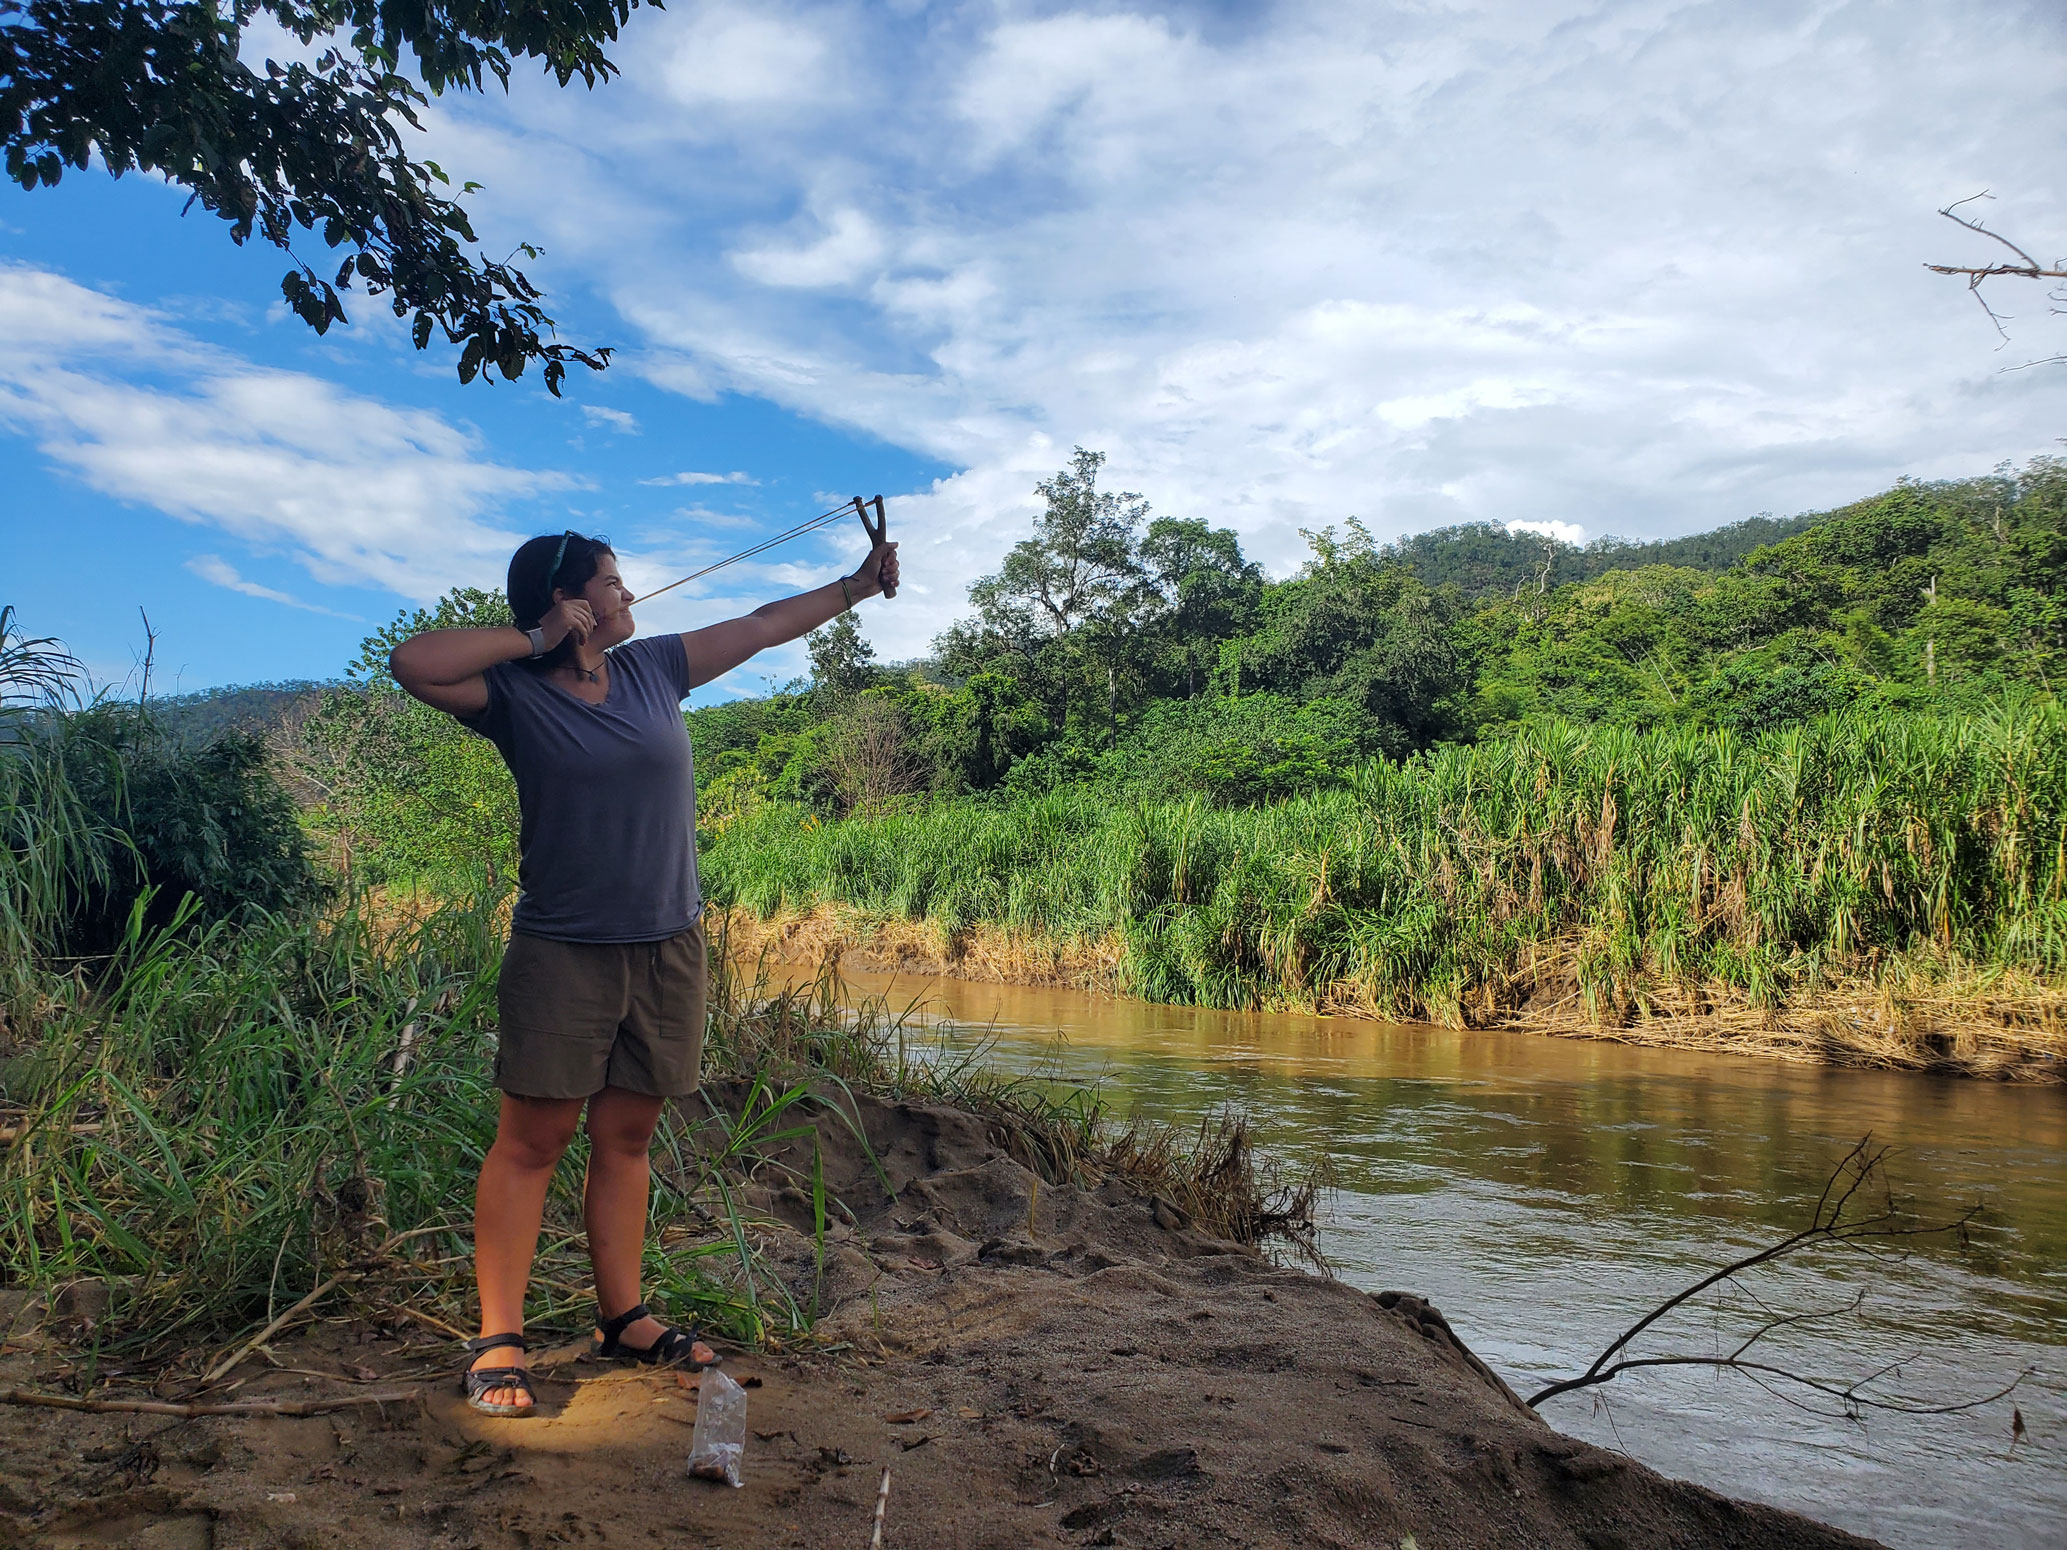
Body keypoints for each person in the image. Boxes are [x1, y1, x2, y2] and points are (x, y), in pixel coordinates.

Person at [389, 527, 899, 1415]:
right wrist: (537, 639)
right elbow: (411, 661)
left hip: (668, 946)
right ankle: (498, 1340)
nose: (631, 597)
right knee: (532, 1142)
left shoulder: (657, 667)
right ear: (571, 601)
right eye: (613, 586)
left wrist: (854, 587)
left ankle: (622, 1317)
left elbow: (766, 622)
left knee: (626, 1139)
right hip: (562, 953)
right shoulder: (507, 693)